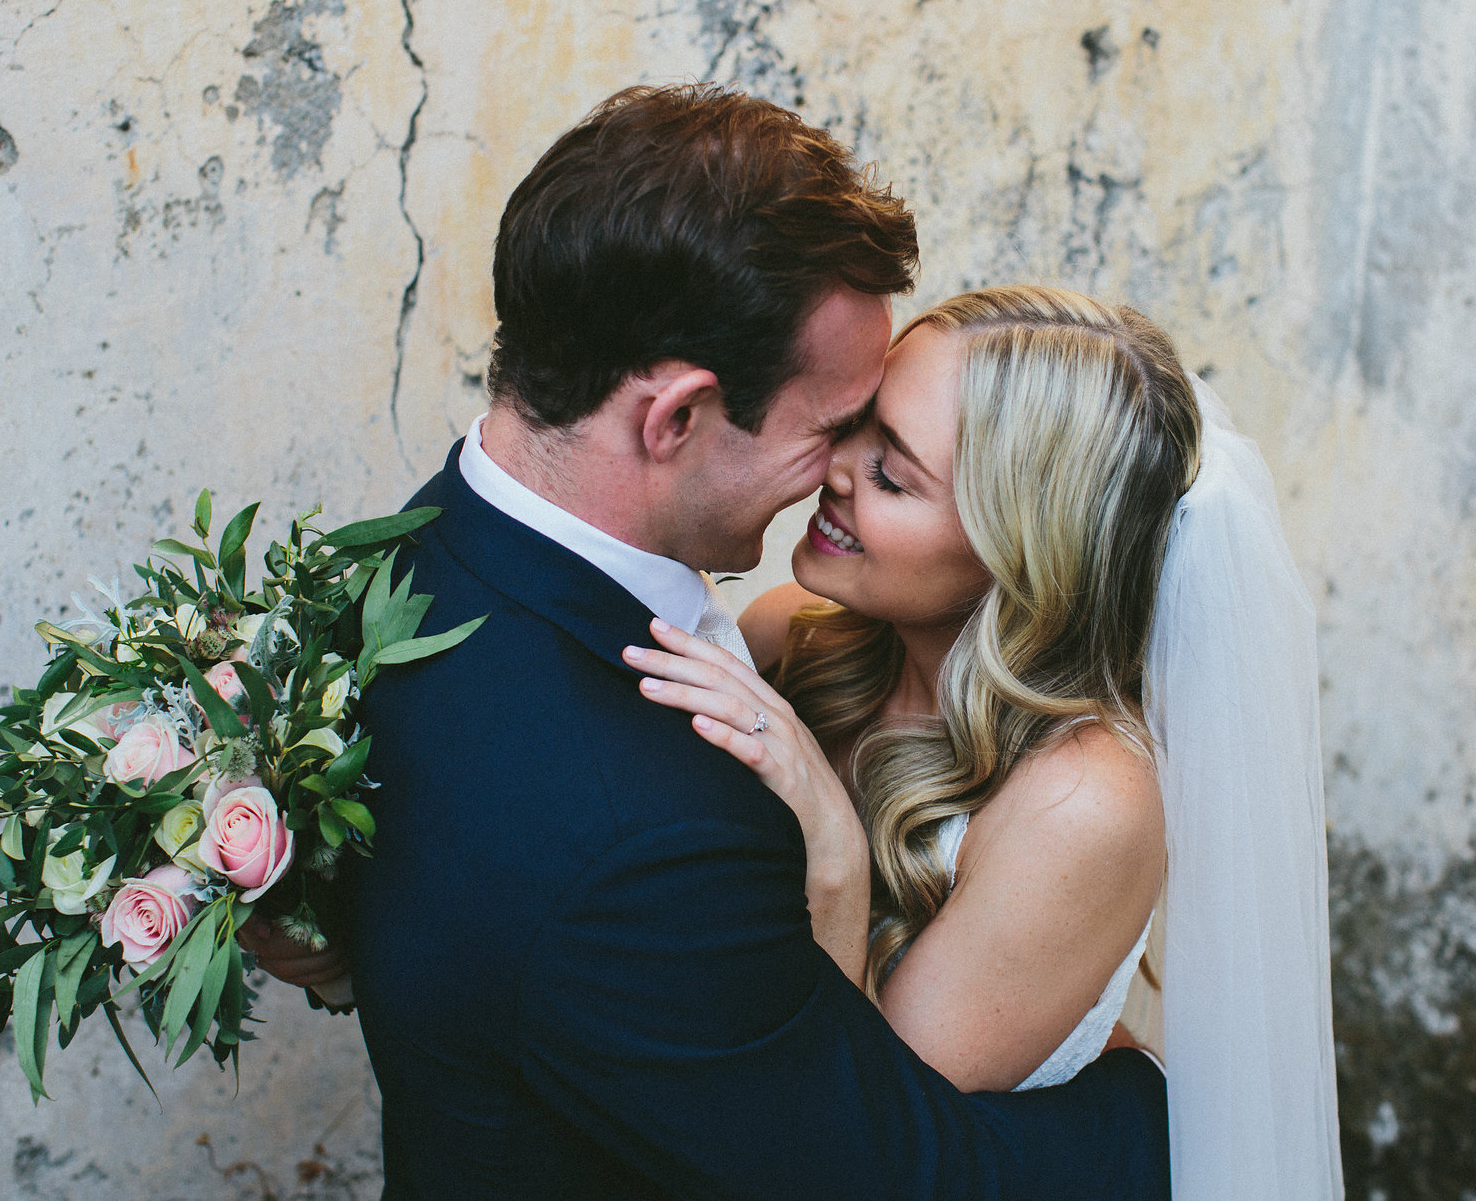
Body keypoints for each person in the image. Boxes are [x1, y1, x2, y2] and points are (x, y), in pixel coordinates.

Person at [308, 85, 1170, 1199]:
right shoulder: (649, 823)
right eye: (834, 431)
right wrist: (1146, 1118)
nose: (839, 474)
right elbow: (874, 1165)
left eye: (892, 461)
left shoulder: (401, 578)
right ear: (674, 418)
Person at [630, 287, 1347, 1198]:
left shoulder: (1086, 800)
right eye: (857, 425)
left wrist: (835, 848)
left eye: (893, 475)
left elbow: (863, 1146)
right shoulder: (795, 633)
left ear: (1020, 556)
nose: (833, 467)